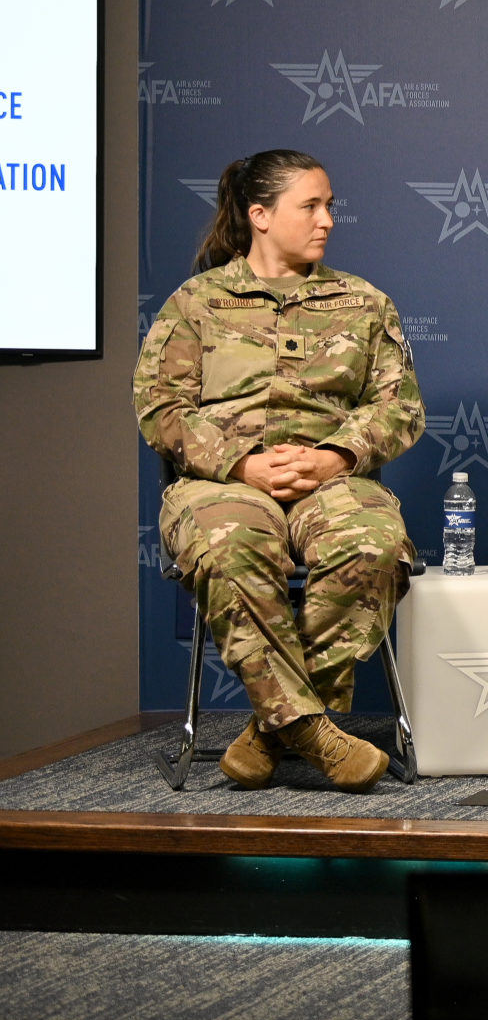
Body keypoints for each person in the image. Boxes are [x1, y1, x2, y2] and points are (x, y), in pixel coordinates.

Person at [135, 149, 423, 793]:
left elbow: (400, 407)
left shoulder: (363, 302)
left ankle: (272, 728)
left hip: (333, 481)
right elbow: (160, 407)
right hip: (223, 485)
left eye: (330, 207)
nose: (327, 221)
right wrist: (239, 463)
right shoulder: (198, 303)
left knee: (373, 542)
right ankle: (316, 734)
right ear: (259, 215)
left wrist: (335, 456)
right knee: (229, 543)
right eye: (310, 206)